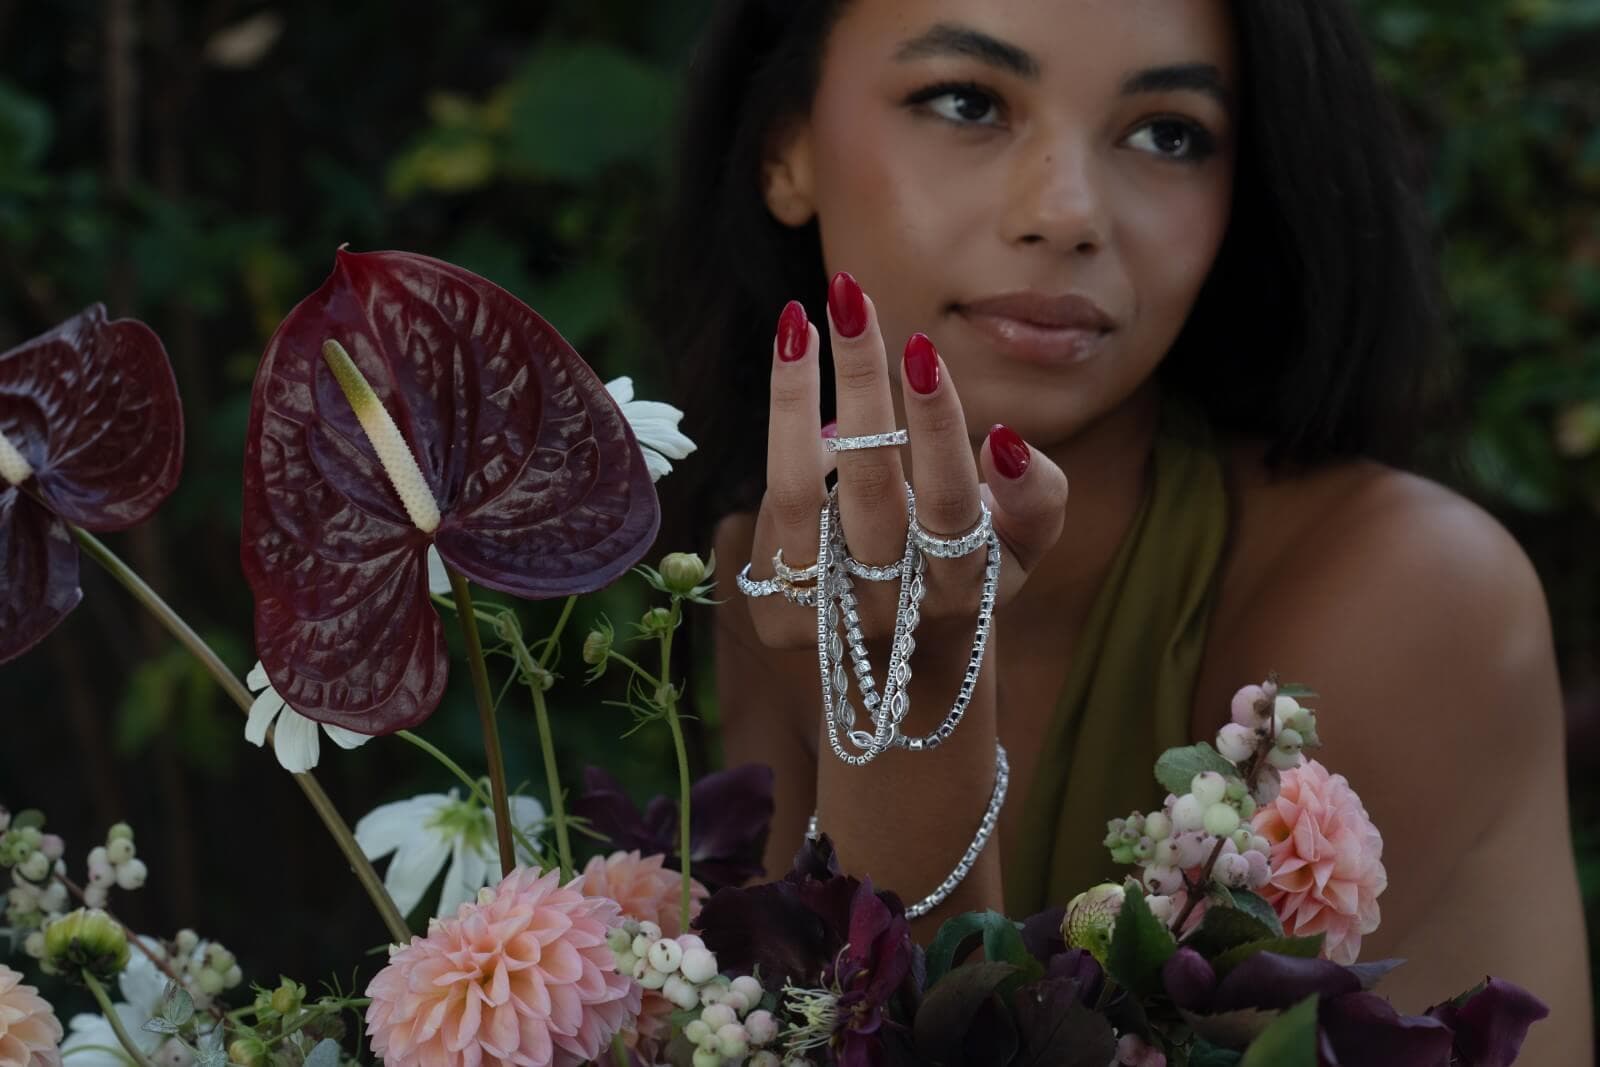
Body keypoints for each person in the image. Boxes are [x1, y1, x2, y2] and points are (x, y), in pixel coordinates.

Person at [656, 0, 1591, 1056]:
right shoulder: (765, 566)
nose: (1067, 212)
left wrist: (918, 682)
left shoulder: (1407, 597)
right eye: (966, 102)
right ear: (785, 150)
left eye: (1169, 134)